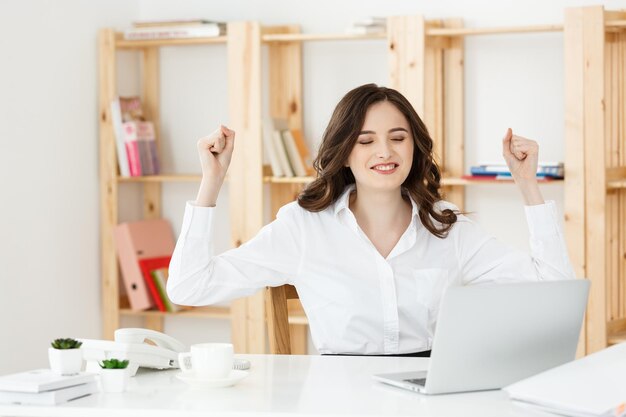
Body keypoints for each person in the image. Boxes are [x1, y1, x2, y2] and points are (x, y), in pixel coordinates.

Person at [167, 83, 575, 357]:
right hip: (337, 400)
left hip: (427, 398)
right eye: (366, 141)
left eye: (397, 138)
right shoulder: (303, 228)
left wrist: (528, 185)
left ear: (414, 147)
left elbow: (555, 291)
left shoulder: (446, 226)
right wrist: (212, 180)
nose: (385, 152)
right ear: (344, 151)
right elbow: (189, 286)